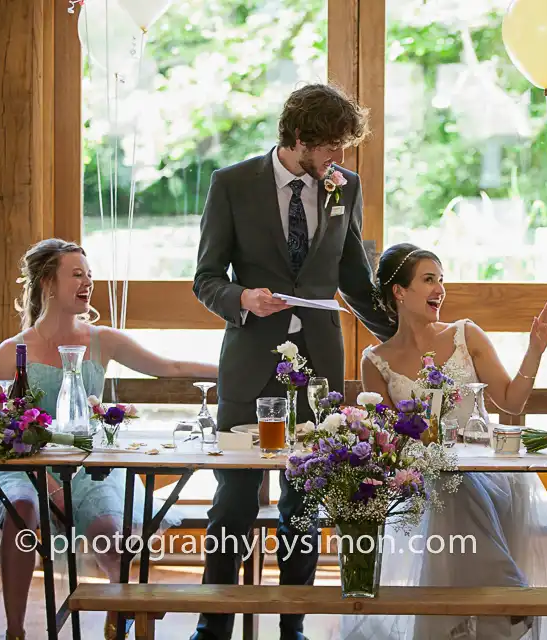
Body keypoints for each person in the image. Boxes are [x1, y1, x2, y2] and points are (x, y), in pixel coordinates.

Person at [191, 83, 394, 640]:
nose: (340, 158)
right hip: (251, 362)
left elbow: (354, 275)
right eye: (331, 145)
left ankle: (293, 624)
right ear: (298, 138)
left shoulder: (343, 186)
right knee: (232, 501)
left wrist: (405, 335)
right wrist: (242, 300)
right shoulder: (232, 184)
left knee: (303, 504)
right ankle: (214, 623)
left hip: (320, 366)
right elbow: (205, 279)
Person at [0, 238, 218, 640]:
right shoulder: (13, 351)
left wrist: (232, 370)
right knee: (22, 508)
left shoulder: (103, 340)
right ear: (47, 283)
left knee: (111, 535)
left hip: (86, 466)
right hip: (28, 469)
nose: (87, 283)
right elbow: (1, 427)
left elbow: (170, 366)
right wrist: (44, 476)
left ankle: (120, 623)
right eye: (76, 274)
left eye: (89, 275)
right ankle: (14, 631)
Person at [338, 243, 547, 640]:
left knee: (454, 483)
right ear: (399, 292)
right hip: (422, 480)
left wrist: (535, 350)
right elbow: (388, 444)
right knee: (444, 483)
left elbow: (511, 400)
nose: (440, 289)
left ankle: (472, 620)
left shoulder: (466, 334)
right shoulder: (375, 359)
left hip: (488, 474)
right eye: (429, 280)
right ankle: (506, 602)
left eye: (441, 280)